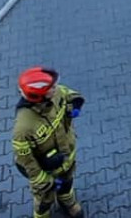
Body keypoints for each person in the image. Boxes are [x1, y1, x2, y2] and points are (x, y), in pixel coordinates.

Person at [12, 67, 85, 218]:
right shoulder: (23, 127)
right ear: (39, 96)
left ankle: (68, 202)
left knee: (67, 183)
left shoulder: (55, 93)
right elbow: (25, 160)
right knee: (44, 199)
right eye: (51, 88)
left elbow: (68, 93)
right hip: (45, 169)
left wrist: (76, 103)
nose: (55, 88)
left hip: (66, 156)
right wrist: (44, 181)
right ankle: (42, 215)